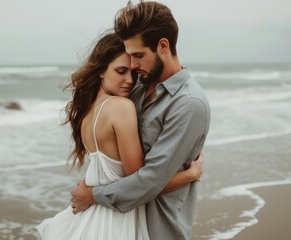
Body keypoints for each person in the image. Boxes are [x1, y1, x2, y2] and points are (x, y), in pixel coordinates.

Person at [35, 32, 203, 239]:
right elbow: (140, 181)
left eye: (133, 73)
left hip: (91, 216)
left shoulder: (88, 111)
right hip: (115, 221)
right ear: (101, 70)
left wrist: (90, 194)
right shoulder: (121, 107)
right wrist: (189, 175)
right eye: (121, 71)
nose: (130, 81)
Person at [70, 1, 211, 240]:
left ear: (163, 46)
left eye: (138, 55)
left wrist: (93, 195)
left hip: (159, 229)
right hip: (119, 225)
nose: (133, 66)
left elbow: (150, 180)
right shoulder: (135, 91)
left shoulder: (188, 104)